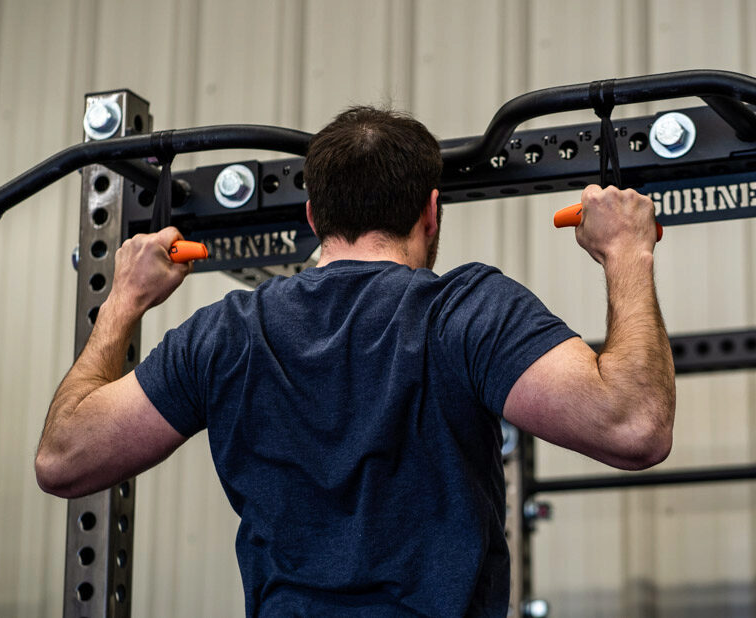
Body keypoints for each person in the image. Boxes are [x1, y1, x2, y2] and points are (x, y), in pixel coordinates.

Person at [35, 106, 675, 617]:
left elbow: (64, 459)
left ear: (314, 216)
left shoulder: (226, 333)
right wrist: (626, 252)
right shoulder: (466, 311)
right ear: (431, 210)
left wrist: (123, 300)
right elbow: (633, 425)